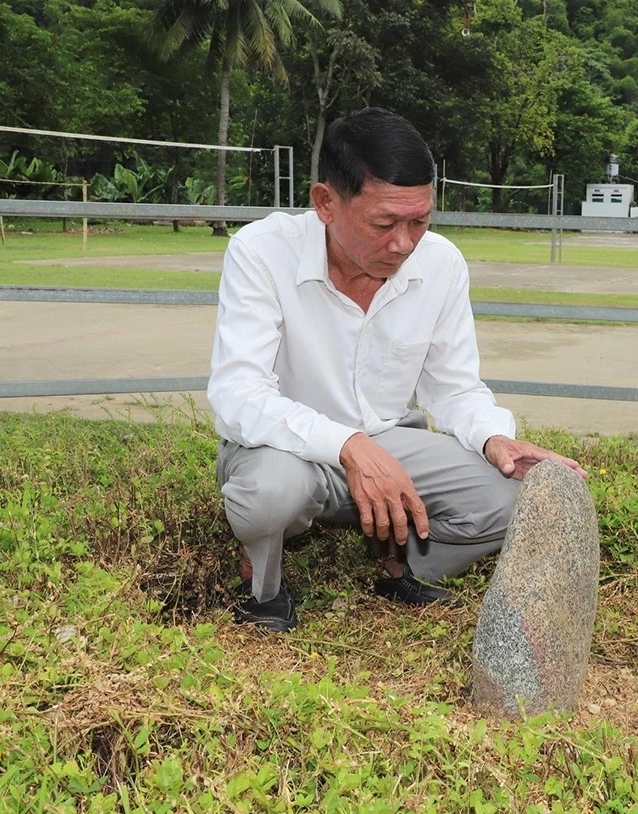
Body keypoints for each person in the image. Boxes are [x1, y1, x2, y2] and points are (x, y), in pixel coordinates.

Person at [207, 107, 586, 632]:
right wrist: (349, 445)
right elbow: (238, 393)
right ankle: (262, 586)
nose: (404, 243)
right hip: (284, 448)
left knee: (514, 496)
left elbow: (453, 387)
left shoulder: (441, 263)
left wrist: (494, 439)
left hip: (389, 441)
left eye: (420, 221)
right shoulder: (260, 251)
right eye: (384, 223)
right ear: (325, 203)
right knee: (271, 494)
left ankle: (401, 566)